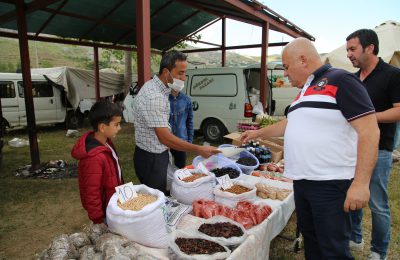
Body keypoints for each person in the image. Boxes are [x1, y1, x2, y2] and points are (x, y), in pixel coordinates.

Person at [241, 38, 380, 260]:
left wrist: (361, 184)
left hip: (330, 183)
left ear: (303, 60)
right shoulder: (305, 89)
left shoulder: (341, 80)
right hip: (304, 182)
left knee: (333, 250)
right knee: (313, 243)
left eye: (286, 67)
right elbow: (291, 123)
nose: (285, 74)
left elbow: (370, 131)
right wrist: (257, 133)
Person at [346, 29, 400, 260]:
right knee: (353, 194)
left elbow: (399, 111)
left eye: (352, 49)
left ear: (370, 48)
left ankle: (379, 251)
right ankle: (355, 237)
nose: (349, 54)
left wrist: (368, 118)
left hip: (380, 149)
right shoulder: (353, 78)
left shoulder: (393, 75)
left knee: (377, 203)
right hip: (351, 149)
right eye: (347, 49)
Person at [133, 50, 219, 194]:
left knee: (165, 190)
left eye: (185, 73)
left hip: (157, 154)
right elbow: (164, 137)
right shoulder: (155, 97)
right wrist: (198, 149)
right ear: (166, 73)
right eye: (180, 73)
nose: (184, 78)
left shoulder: (157, 88)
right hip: (151, 159)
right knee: (158, 197)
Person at [71, 100, 124, 225]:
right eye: (116, 125)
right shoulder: (93, 158)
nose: (119, 128)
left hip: (114, 205)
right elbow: (91, 192)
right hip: (105, 213)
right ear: (102, 127)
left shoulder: (107, 143)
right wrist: (98, 219)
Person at [169, 88, 194, 168]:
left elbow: (189, 122)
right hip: (166, 141)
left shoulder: (186, 100)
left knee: (181, 169)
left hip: (181, 141)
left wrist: (189, 142)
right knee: (163, 168)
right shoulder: (163, 99)